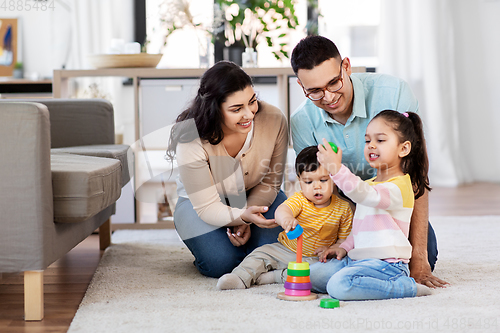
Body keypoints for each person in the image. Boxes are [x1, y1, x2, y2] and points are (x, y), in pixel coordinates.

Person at [290, 35, 448, 288]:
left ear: (347, 66)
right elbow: (317, 186)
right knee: (316, 268)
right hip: (343, 208)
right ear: (301, 86)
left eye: (334, 82)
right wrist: (344, 241)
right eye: (315, 91)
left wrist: (418, 256)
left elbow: (416, 174)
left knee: (425, 251)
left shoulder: (394, 93)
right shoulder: (302, 121)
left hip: (391, 207)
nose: (329, 97)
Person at [166, 61, 288, 278]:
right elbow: (207, 207)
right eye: (236, 109)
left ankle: (246, 250)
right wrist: (241, 217)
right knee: (221, 263)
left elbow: (270, 182)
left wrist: (247, 217)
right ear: (214, 109)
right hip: (199, 204)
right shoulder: (191, 136)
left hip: (257, 195)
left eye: (252, 102)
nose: (249, 114)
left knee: (278, 251)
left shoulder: (274, 119)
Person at [314, 110, 433, 300]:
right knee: (311, 275)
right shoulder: (369, 184)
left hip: (387, 265)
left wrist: (336, 169)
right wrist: (343, 247)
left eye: (380, 140)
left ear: (404, 149)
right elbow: (361, 228)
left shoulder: (400, 186)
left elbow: (365, 194)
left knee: (339, 286)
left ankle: (405, 287)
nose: (371, 146)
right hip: (357, 260)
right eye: (367, 141)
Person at [216, 146, 353, 290]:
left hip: (316, 259)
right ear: (300, 181)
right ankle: (239, 277)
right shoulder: (300, 199)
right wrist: (286, 219)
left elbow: (343, 240)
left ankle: (276, 276)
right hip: (286, 249)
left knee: (323, 273)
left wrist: (335, 249)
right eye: (308, 182)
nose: (316, 187)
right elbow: (282, 210)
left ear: (335, 179)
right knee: (260, 253)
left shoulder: (344, 209)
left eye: (323, 180)